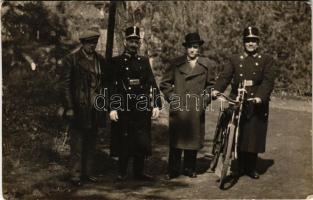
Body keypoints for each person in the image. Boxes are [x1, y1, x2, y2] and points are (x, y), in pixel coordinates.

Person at [212, 26, 276, 179]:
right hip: (237, 98)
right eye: (248, 40)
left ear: (258, 43)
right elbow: (225, 77)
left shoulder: (266, 60)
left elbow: (268, 81)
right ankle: (238, 166)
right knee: (237, 132)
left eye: (253, 40)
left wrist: (260, 97)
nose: (251, 43)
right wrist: (216, 89)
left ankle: (251, 167)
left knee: (253, 134)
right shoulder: (235, 59)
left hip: (256, 100)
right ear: (243, 42)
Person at [109, 26, 162, 181]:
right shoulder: (116, 62)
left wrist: (157, 104)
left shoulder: (144, 61)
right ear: (125, 42)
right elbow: (111, 87)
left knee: (141, 139)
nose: (133, 44)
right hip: (123, 107)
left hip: (141, 107)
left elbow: (152, 83)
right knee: (124, 138)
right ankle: (122, 172)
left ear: (139, 43)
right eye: (131, 41)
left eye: (136, 41)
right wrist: (112, 108)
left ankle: (139, 172)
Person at [160, 32, 215, 179]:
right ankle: (173, 169)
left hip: (196, 107)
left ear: (199, 49)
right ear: (186, 48)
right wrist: (173, 98)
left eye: (195, 47)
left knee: (193, 138)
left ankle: (190, 168)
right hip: (179, 108)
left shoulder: (206, 65)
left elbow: (211, 86)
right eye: (190, 47)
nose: (192, 50)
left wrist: (204, 101)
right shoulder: (176, 63)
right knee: (177, 140)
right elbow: (164, 83)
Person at [58, 29, 108, 186]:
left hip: (95, 108)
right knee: (77, 144)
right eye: (89, 43)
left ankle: (87, 173)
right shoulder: (71, 59)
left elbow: (104, 84)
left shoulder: (100, 60)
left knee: (91, 142)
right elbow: (64, 85)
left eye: (94, 43)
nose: (92, 46)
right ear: (83, 43)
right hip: (78, 109)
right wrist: (69, 107)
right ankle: (75, 176)